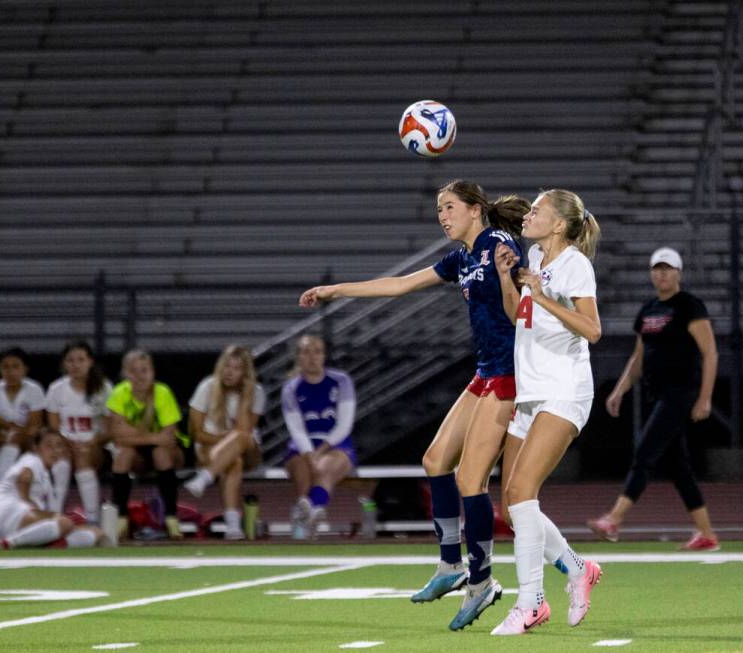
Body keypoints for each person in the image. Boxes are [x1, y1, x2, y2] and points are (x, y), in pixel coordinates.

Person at [299, 179, 544, 631]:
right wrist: (335, 290)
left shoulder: (498, 242)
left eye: (449, 207)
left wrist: (511, 275)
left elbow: (517, 314)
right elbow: (400, 285)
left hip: (511, 374)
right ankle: (452, 566)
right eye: (438, 210)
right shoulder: (463, 257)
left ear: (475, 209)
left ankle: (482, 583)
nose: (442, 216)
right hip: (486, 372)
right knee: (435, 461)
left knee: (473, 480)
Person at [489, 188, 604, 636]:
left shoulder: (575, 263)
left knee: (522, 489)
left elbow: (593, 330)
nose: (528, 214)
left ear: (559, 224)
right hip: (531, 390)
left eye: (537, 210)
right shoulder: (534, 254)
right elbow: (519, 315)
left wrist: (542, 295)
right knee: (511, 502)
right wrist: (507, 280)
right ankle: (576, 568)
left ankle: (532, 601)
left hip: (564, 389)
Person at [588, 247, 720, 551]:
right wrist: (620, 389)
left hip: (680, 392)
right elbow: (639, 356)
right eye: (657, 268)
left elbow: (710, 352)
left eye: (668, 268)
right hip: (655, 393)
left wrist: (705, 398)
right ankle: (706, 534)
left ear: (678, 272)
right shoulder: (648, 309)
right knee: (678, 466)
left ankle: (614, 519)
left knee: (644, 452)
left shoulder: (689, 305)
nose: (662, 274)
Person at [184, 345, 265, 540]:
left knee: (242, 438)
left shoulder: (256, 392)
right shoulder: (208, 386)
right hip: (209, 446)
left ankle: (205, 476)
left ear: (245, 373)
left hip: (247, 449)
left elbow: (246, 432)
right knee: (233, 460)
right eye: (227, 366)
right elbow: (197, 433)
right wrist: (226, 442)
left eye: (237, 368)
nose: (229, 372)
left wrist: (245, 398)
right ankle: (233, 526)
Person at [279, 334, 356, 541]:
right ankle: (310, 510)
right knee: (303, 469)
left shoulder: (341, 381)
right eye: (306, 352)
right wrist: (309, 453)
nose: (312, 357)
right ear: (298, 357)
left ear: (323, 356)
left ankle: (308, 508)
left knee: (323, 468)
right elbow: (296, 427)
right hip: (302, 444)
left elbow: (344, 424)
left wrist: (320, 452)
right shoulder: (291, 388)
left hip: (335, 443)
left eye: (317, 352)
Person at [106, 349, 183, 540]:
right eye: (133, 371)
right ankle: (121, 519)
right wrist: (152, 436)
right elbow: (117, 438)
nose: (140, 376)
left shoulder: (162, 393)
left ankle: (171, 518)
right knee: (122, 454)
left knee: (160, 453)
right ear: (125, 373)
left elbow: (169, 438)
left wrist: (134, 433)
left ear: (153, 372)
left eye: (144, 370)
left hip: (170, 453)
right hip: (136, 455)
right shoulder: (119, 394)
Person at [0, 428, 103, 549]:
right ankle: (9, 543)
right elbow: (24, 484)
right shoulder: (32, 460)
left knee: (96, 532)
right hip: (12, 516)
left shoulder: (46, 472)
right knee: (65, 523)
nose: (54, 450)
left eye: (58, 446)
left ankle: (55, 544)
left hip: (24, 519)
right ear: (36, 447)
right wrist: (55, 516)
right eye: (49, 445)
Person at [46, 340, 113, 524]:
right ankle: (54, 517)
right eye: (70, 360)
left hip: (96, 448)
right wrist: (66, 442)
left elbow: (110, 431)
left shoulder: (104, 387)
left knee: (83, 455)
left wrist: (92, 442)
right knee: (60, 461)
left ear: (90, 361)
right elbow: (53, 429)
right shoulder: (56, 389)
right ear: (64, 364)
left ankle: (92, 520)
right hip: (65, 445)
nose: (75, 365)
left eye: (81, 360)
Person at [0, 347, 46, 508]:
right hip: (1, 442)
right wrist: (4, 433)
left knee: (14, 440)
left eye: (16, 366)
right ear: (0, 369)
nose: (10, 372)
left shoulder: (34, 390)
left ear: (25, 369)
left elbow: (35, 426)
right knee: (2, 446)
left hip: (29, 441)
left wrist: (13, 431)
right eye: (5, 367)